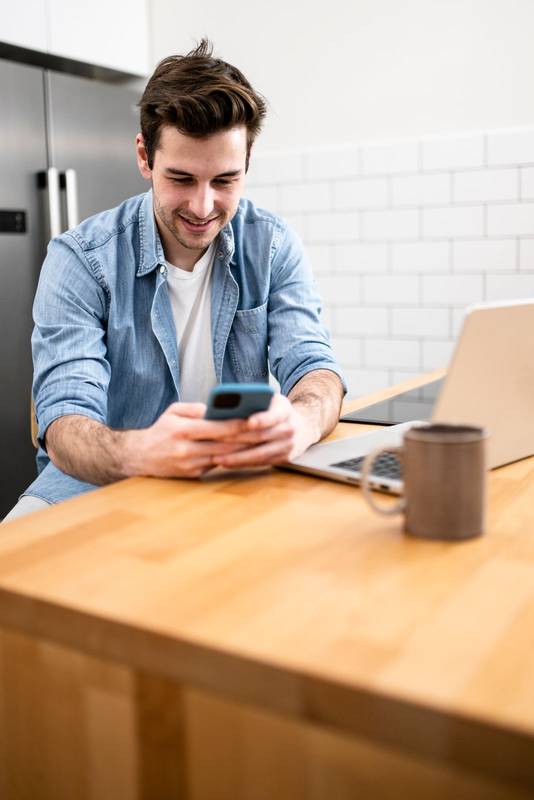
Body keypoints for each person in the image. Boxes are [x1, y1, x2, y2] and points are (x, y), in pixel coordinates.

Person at [3, 39, 345, 522]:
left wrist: (303, 421)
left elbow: (315, 367)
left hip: (233, 481)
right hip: (96, 482)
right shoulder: (79, 259)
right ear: (145, 157)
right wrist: (140, 452)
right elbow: (63, 423)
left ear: (247, 162)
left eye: (224, 181)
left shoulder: (272, 245)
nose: (203, 207)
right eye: (181, 178)